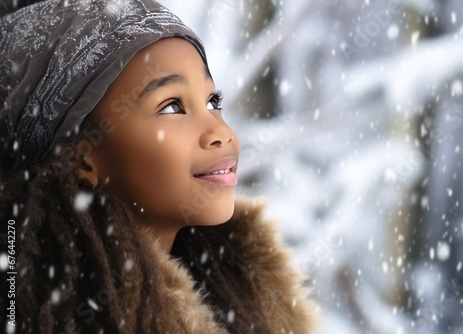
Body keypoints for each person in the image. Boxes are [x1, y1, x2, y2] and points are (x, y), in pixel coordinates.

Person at [0, 0, 319, 333]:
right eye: (172, 107)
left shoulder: (241, 300)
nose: (221, 133)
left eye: (213, 102)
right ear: (82, 157)